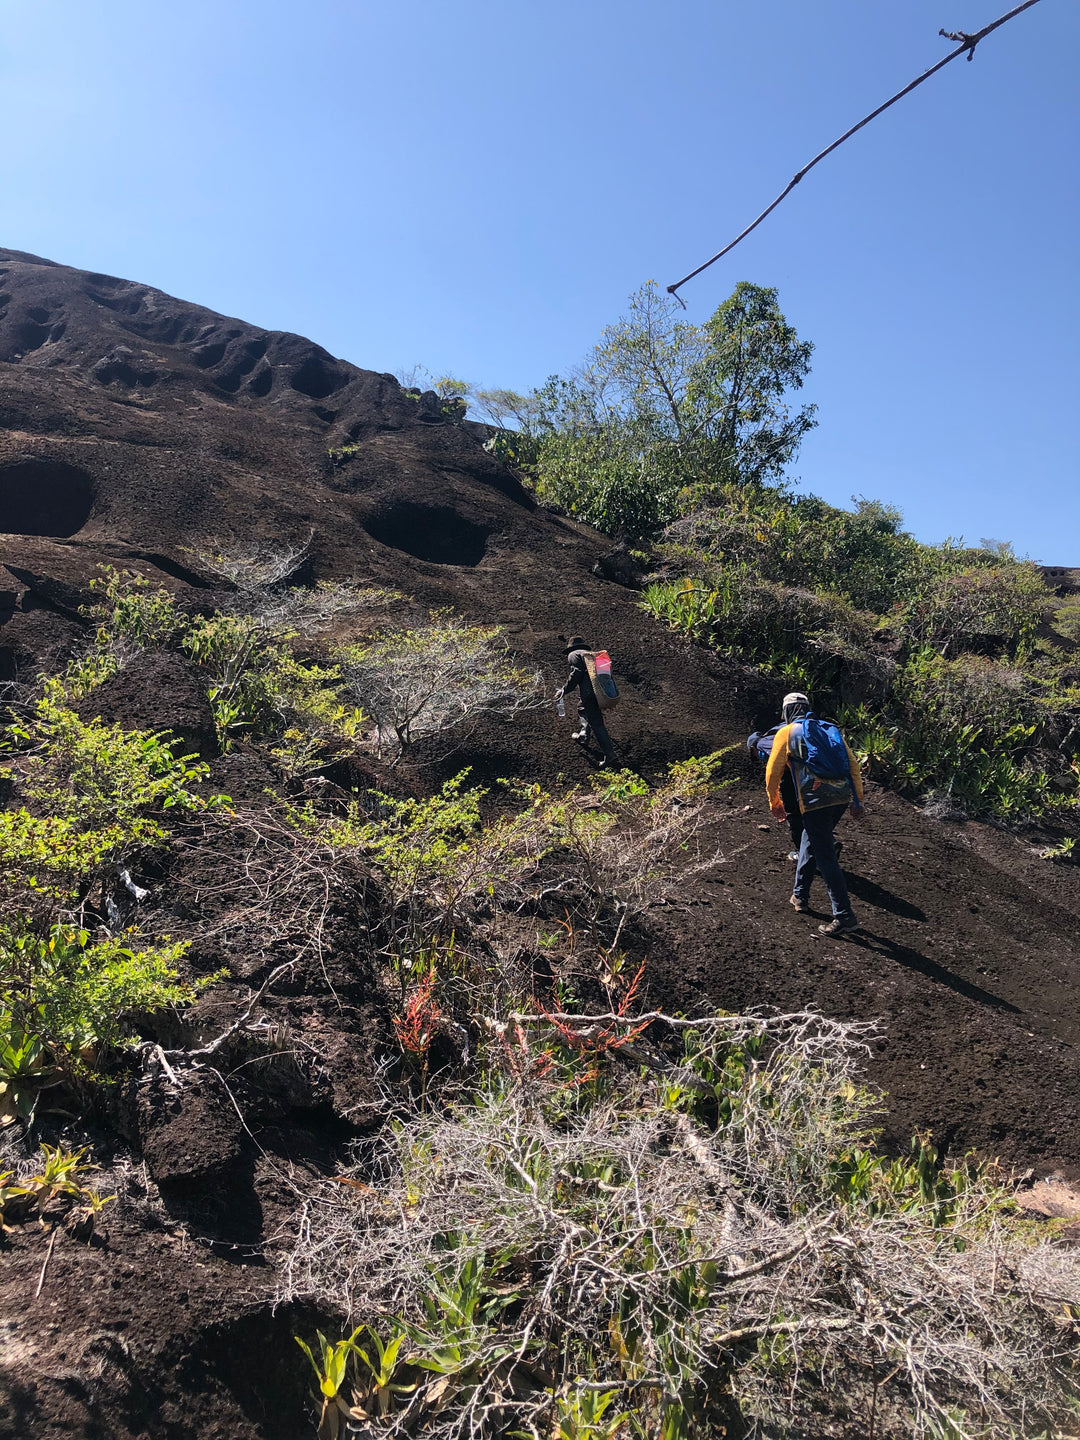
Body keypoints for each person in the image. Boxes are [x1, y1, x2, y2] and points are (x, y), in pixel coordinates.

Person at [764, 692, 864, 936]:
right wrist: (858, 800)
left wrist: (774, 801)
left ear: (787, 712)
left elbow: (772, 772)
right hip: (840, 799)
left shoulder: (786, 733)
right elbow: (853, 766)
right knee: (811, 842)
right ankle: (800, 896)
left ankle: (844, 916)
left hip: (814, 802)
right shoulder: (830, 729)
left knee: (826, 857)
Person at [555, 635, 618, 766]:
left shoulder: (574, 654)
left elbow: (576, 673)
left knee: (597, 723)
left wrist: (564, 690)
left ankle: (610, 755)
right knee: (582, 707)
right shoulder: (591, 655)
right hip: (600, 692)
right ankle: (583, 735)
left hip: (590, 693)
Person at [746, 723, 803, 859]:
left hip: (795, 777)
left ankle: (803, 852)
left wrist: (775, 801)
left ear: (753, 747)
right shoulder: (781, 733)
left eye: (754, 755)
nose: (759, 758)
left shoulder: (763, 744)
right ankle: (828, 844)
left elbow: (778, 760)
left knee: (794, 815)